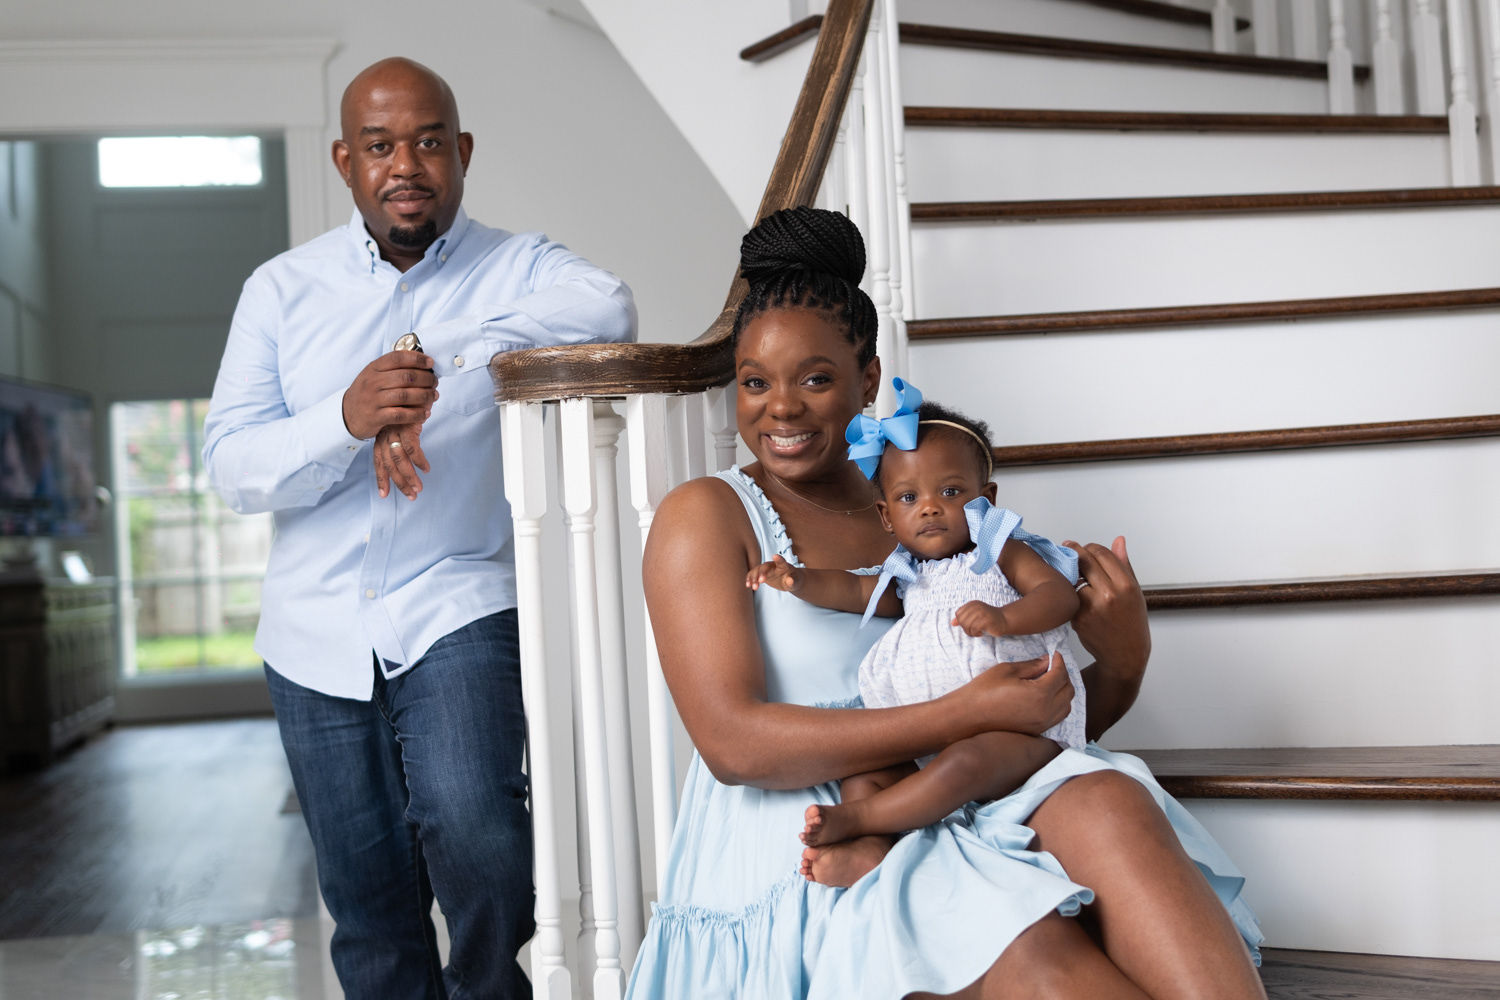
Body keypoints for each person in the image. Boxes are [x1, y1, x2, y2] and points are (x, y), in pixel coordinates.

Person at [627, 206, 1264, 999]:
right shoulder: (707, 514)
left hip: (964, 788)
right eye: (754, 382)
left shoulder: (924, 502)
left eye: (816, 379)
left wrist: (1125, 662)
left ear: (868, 381)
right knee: (1030, 951)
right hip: (816, 824)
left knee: (1110, 800)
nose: (780, 409)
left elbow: (1026, 716)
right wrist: (961, 715)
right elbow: (734, 746)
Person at [202, 57, 636, 999]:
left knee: (479, 827)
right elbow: (231, 466)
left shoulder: (520, 266)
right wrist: (348, 416)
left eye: (429, 141)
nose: (406, 165)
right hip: (313, 629)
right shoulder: (280, 290)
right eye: (380, 146)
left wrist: (429, 366)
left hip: (457, 596)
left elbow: (610, 306)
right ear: (345, 161)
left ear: (462, 151)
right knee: (368, 905)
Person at [746, 385, 1088, 878]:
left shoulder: (1000, 552)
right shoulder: (908, 574)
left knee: (966, 762)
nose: (929, 508)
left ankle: (860, 820)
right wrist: (798, 581)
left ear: (986, 499)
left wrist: (1005, 619)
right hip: (933, 735)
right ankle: (870, 849)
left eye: (950, 492)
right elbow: (855, 590)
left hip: (1023, 732)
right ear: (887, 516)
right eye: (910, 497)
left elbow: (1059, 596)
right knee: (866, 769)